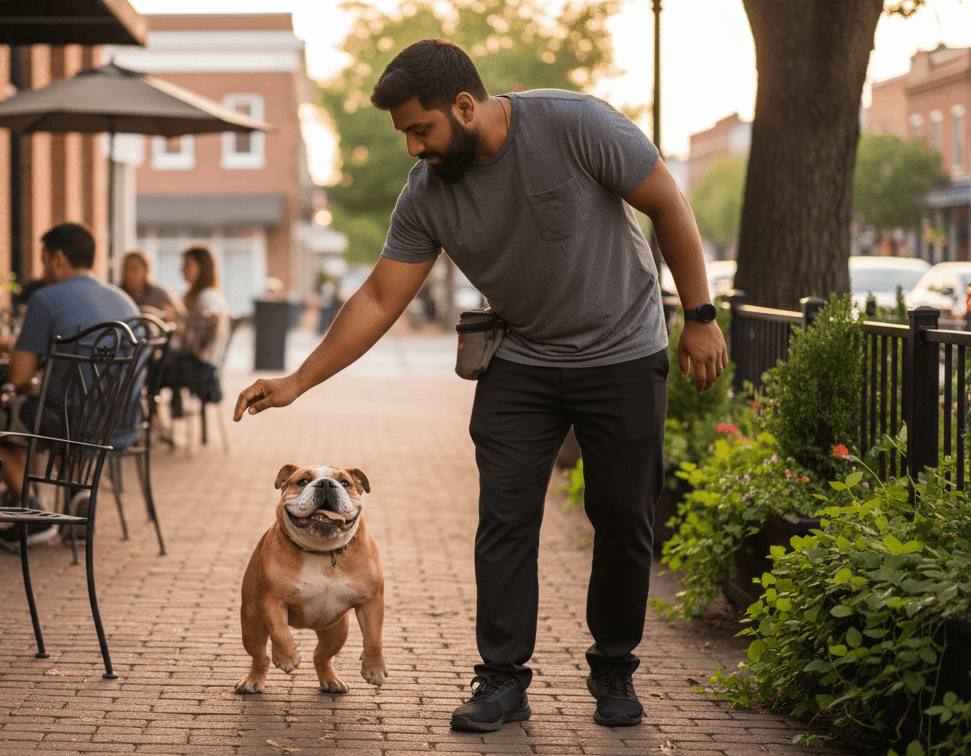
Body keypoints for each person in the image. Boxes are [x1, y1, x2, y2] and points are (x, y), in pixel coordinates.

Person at [233, 40, 727, 732]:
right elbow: (379, 297)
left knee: (624, 517)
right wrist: (298, 382)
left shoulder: (579, 124)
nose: (412, 147)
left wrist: (700, 316)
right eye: (404, 133)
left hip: (621, 352)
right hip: (521, 358)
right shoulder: (427, 193)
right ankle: (501, 678)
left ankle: (614, 666)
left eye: (421, 128)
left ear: (464, 106)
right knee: (505, 520)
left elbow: (669, 206)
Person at [0, 222, 139, 548]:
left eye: (43, 260)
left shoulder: (46, 298)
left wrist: (31, 369)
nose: (43, 269)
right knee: (65, 409)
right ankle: (78, 493)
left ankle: (33, 514)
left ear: (57, 259)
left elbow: (18, 377)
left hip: (69, 421)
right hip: (121, 422)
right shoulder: (125, 302)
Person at [161, 245, 231, 413]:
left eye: (187, 265)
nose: (182, 269)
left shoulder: (207, 298)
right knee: (158, 363)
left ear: (203, 267)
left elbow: (196, 345)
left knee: (149, 369)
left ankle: (149, 425)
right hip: (202, 366)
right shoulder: (207, 294)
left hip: (200, 368)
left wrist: (176, 321)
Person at [119, 250, 183, 324]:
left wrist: (165, 317)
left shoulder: (160, 295)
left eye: (134, 269)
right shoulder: (117, 295)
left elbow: (179, 322)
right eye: (126, 268)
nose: (129, 274)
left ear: (146, 270)